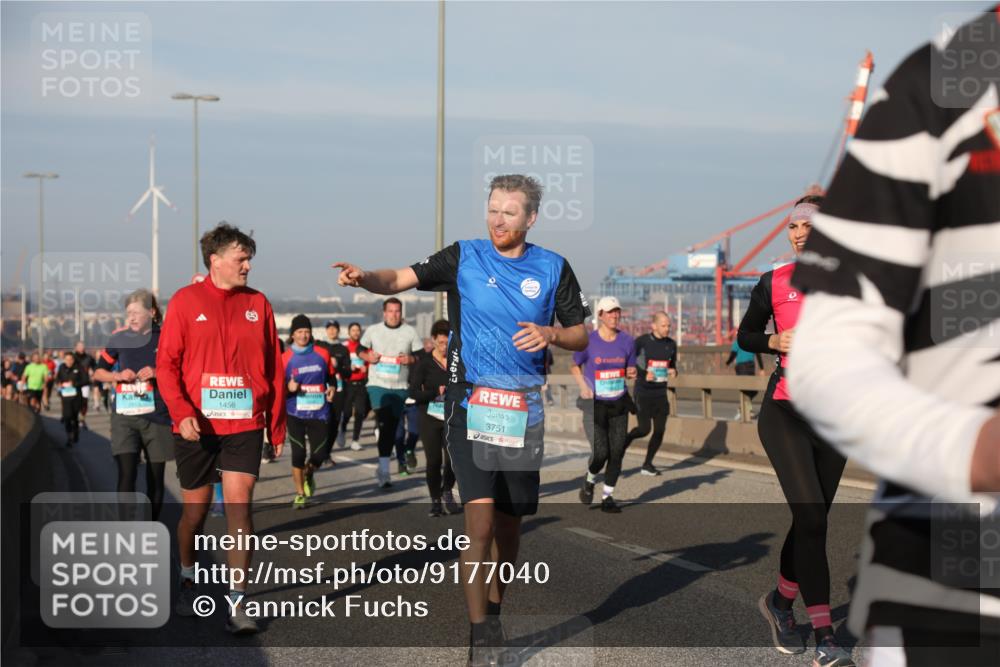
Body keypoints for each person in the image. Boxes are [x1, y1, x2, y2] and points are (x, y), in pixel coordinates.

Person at [788, 8, 1000, 666]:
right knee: (810, 514)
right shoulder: (942, 81)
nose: (797, 234)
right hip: (956, 590)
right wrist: (975, 451)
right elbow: (823, 358)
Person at [335, 173, 589, 665]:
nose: (497, 219)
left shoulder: (553, 267)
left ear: (530, 218)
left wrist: (552, 335)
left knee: (511, 528)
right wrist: (364, 278)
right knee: (479, 523)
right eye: (492, 209)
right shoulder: (464, 256)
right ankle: (482, 638)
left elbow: (581, 334)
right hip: (469, 402)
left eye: (509, 212)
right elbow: (398, 278)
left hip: (523, 409)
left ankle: (493, 609)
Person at [738, 192, 854, 665]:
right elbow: (745, 335)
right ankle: (826, 637)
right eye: (794, 227)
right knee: (811, 518)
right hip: (785, 411)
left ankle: (781, 602)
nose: (800, 233)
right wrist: (771, 338)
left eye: (810, 226)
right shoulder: (774, 281)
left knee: (814, 518)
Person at [157, 223, 286, 635]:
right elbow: (167, 365)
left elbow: (273, 368)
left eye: (249, 259)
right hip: (196, 426)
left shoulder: (258, 303)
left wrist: (277, 426)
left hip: (244, 423)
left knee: (239, 507)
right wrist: (181, 413)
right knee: (194, 514)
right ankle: (186, 575)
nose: (248, 266)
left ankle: (238, 603)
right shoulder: (184, 301)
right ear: (215, 260)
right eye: (241, 259)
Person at [93, 289, 174, 522]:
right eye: (129, 313)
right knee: (126, 474)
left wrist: (158, 372)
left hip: (158, 415)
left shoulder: (166, 336)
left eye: (137, 312)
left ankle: (150, 525)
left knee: (155, 478)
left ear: (152, 312)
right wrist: (117, 377)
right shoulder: (119, 338)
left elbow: (182, 371)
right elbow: (99, 372)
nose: (132, 317)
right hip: (125, 415)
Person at [572, 297, 637, 513]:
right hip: (595, 405)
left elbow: (631, 369)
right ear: (600, 315)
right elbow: (575, 366)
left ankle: (608, 497)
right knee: (601, 453)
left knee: (616, 452)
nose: (615, 316)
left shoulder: (627, 342)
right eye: (610, 312)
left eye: (617, 311)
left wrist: (632, 373)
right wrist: (583, 385)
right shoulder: (589, 341)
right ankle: (589, 480)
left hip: (618, 403)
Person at [358, 298, 422, 486]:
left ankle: (383, 466)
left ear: (401, 313)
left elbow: (422, 356)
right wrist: (367, 355)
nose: (394, 315)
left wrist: (411, 359)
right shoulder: (373, 331)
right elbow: (360, 348)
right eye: (390, 311)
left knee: (392, 427)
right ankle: (385, 470)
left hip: (400, 387)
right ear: (383, 313)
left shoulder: (410, 332)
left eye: (397, 311)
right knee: (385, 422)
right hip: (377, 384)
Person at [282, 314, 337, 508]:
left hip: (319, 412)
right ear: (292, 334)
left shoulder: (322, 353)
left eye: (306, 331)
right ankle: (299, 494)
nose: (303, 335)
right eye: (299, 332)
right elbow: (278, 387)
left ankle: (309, 472)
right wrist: (288, 388)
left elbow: (331, 377)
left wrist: (332, 388)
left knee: (320, 455)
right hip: (295, 413)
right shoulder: (285, 358)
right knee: (298, 454)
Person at [409, 319, 459, 516]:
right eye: (440, 343)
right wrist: (433, 392)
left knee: (453, 459)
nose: (444, 347)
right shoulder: (425, 364)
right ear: (433, 341)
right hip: (429, 418)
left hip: (452, 418)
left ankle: (447, 491)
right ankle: (435, 500)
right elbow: (412, 392)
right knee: (433, 461)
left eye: (447, 343)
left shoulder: (457, 363)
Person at [625, 311, 678, 475]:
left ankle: (647, 464)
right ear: (653, 326)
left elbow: (672, 364)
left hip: (661, 394)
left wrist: (673, 371)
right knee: (644, 429)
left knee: (660, 430)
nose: (667, 328)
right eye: (663, 325)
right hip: (643, 392)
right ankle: (624, 441)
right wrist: (643, 374)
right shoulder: (642, 342)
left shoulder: (671, 344)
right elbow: (629, 363)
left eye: (669, 325)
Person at [316, 319, 351, 451]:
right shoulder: (319, 345)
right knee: (321, 421)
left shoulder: (343, 349)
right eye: (329, 328)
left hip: (338, 389)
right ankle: (319, 449)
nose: (332, 331)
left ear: (338, 330)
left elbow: (348, 372)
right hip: (320, 389)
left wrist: (338, 366)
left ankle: (327, 453)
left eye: (334, 328)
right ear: (326, 330)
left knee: (335, 421)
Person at [340, 322, 370, 451]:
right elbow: (339, 364)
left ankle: (355, 440)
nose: (356, 333)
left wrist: (366, 368)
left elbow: (369, 361)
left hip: (361, 384)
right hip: (348, 384)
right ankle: (343, 429)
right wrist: (348, 367)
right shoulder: (344, 347)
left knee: (360, 412)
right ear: (349, 332)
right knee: (347, 412)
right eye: (353, 330)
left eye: (358, 330)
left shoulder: (364, 347)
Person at [54, 350, 85, 446]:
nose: (69, 361)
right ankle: (69, 437)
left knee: (74, 417)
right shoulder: (61, 367)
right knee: (67, 417)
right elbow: (57, 378)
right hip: (65, 396)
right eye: (66, 359)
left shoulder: (79, 368)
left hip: (76, 397)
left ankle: (76, 432)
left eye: (70, 359)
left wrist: (74, 384)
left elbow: (85, 380)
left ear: (73, 360)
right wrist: (59, 383)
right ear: (64, 360)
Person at [73, 341, 95, 427]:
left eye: (83, 346)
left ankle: (82, 418)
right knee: (75, 401)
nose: (82, 347)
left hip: (85, 382)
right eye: (80, 346)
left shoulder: (88, 357)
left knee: (84, 401)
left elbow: (95, 366)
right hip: (74, 383)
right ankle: (75, 418)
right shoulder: (72, 357)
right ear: (76, 347)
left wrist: (93, 372)